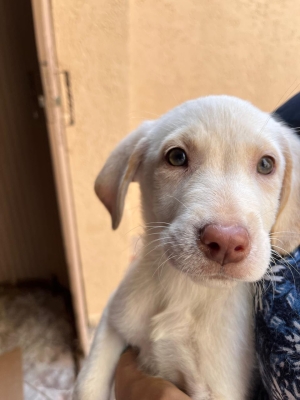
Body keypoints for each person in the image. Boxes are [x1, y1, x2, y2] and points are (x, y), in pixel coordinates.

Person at [115, 93, 300, 400]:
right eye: (178, 158)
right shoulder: (289, 118)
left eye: (265, 166)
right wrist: (130, 379)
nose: (227, 236)